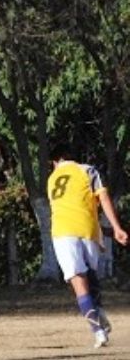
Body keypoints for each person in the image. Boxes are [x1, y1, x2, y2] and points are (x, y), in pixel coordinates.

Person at [47, 144, 128, 348]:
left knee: (79, 283)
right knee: (90, 276)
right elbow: (102, 197)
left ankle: (98, 331)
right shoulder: (88, 170)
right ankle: (99, 314)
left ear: (56, 161)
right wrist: (116, 228)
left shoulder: (51, 180)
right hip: (87, 230)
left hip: (62, 232)